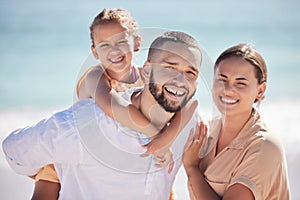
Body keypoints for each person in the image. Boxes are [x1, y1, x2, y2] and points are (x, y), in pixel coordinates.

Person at [3, 31, 205, 199]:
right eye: (170, 67)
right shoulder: (90, 124)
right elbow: (14, 151)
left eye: (191, 73)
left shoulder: (192, 126)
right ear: (146, 72)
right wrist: (55, 172)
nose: (180, 80)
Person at [183, 43, 290, 200]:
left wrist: (192, 169)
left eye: (240, 83)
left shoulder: (264, 146)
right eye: (222, 79)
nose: (227, 89)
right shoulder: (206, 131)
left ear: (260, 91)